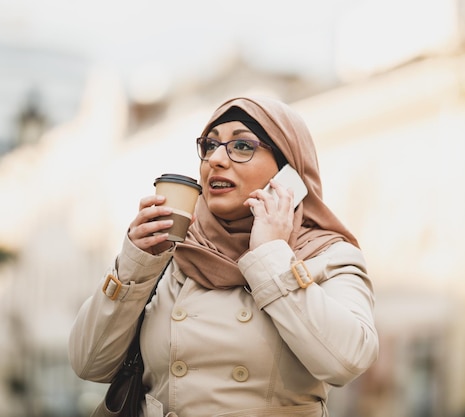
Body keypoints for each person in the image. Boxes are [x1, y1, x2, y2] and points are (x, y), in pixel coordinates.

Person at [69, 95, 379, 417]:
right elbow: (88, 363)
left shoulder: (326, 255)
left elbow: (348, 361)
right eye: (210, 145)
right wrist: (136, 263)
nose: (216, 158)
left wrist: (271, 255)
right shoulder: (172, 253)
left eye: (242, 146)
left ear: (289, 173)